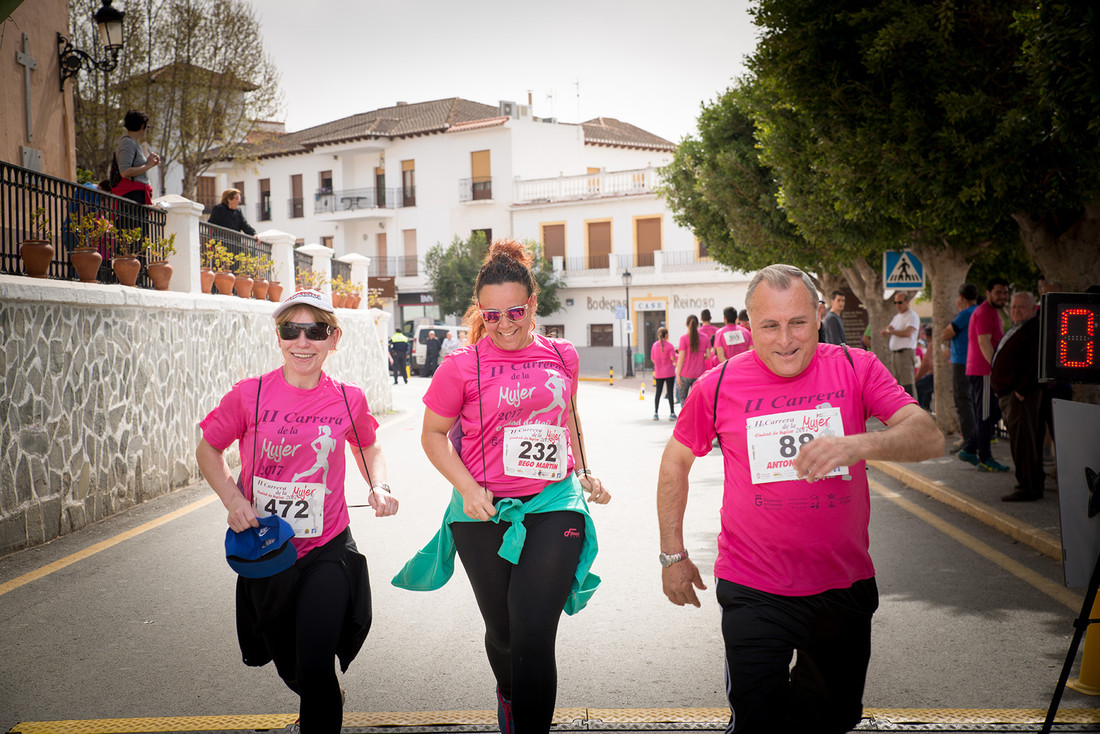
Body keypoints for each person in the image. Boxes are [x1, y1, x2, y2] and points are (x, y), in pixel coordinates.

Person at [656, 264, 943, 734]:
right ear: (749, 327)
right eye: (770, 325)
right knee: (758, 723)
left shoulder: (855, 366)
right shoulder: (718, 384)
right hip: (753, 587)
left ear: (818, 316)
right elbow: (675, 463)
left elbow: (929, 437)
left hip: (841, 586)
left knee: (830, 720)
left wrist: (857, 444)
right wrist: (673, 555)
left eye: (798, 323)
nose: (785, 339)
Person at [392, 238, 610, 734]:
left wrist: (584, 471)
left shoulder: (562, 355)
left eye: (515, 311)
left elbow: (569, 417)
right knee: (506, 634)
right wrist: (467, 489)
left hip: (554, 502)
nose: (505, 324)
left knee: (534, 633)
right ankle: (509, 694)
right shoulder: (460, 366)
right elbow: (432, 435)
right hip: (483, 508)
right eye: (492, 316)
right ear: (480, 313)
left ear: (532, 304)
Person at [196, 289, 399, 734]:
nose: (302, 341)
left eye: (315, 331)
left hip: (327, 549)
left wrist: (378, 485)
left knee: (315, 660)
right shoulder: (250, 395)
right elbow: (209, 449)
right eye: (292, 330)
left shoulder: (348, 398)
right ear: (279, 336)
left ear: (333, 339)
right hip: (268, 552)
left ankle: (321, 700)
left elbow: (367, 443)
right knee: (293, 667)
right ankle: (318, 690)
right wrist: (234, 500)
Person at [992, 292, 1044, 501]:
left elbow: (1035, 362)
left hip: (1020, 396)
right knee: (1020, 440)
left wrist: (1021, 391)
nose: (1016, 310)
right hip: (1010, 393)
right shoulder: (1019, 327)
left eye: (1022, 307)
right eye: (1014, 307)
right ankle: (1029, 483)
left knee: (1024, 442)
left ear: (1033, 309)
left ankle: (1028, 487)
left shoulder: (1034, 329)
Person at [959, 277, 1011, 472]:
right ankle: (985, 458)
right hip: (984, 371)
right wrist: (996, 369)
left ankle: (970, 449)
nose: (1002, 296)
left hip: (984, 371)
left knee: (991, 413)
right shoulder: (985, 313)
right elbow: (984, 343)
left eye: (1005, 293)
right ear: (988, 293)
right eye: (998, 292)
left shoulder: (992, 312)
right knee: (986, 415)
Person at [941, 284, 978, 452]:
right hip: (973, 361)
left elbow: (946, 334)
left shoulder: (965, 314)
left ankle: (969, 441)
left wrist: (960, 310)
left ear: (961, 298)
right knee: (971, 401)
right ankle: (974, 438)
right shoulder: (979, 311)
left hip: (961, 361)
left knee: (963, 401)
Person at [112, 110, 160, 205]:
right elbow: (125, 172)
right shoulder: (127, 143)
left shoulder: (134, 143)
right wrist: (147, 165)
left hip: (137, 195)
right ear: (142, 126)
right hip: (131, 196)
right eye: (147, 127)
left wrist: (150, 164)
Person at [880, 291, 920, 397]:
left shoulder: (911, 316)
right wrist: (888, 330)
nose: (897, 305)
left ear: (907, 302)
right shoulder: (897, 317)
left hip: (905, 353)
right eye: (896, 303)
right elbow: (889, 327)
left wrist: (890, 332)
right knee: (898, 385)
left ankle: (913, 410)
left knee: (907, 384)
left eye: (900, 302)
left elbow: (908, 333)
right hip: (896, 354)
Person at [676, 314, 707, 404]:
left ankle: (685, 418)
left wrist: (678, 375)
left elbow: (681, 358)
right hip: (699, 375)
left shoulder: (683, 338)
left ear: (686, 324)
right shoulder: (705, 338)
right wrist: (701, 356)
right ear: (697, 324)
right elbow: (708, 355)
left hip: (685, 375)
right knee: (697, 402)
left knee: (683, 401)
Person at [651, 326, 677, 421]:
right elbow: (672, 358)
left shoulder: (654, 345)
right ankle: (672, 413)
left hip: (658, 373)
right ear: (666, 335)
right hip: (669, 372)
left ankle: (656, 413)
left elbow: (653, 358)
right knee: (670, 392)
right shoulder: (670, 346)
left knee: (658, 392)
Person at [914, 324, 935, 411]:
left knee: (916, 387)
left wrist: (917, 378)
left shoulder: (932, 345)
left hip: (932, 376)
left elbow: (926, 364)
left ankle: (920, 409)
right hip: (931, 375)